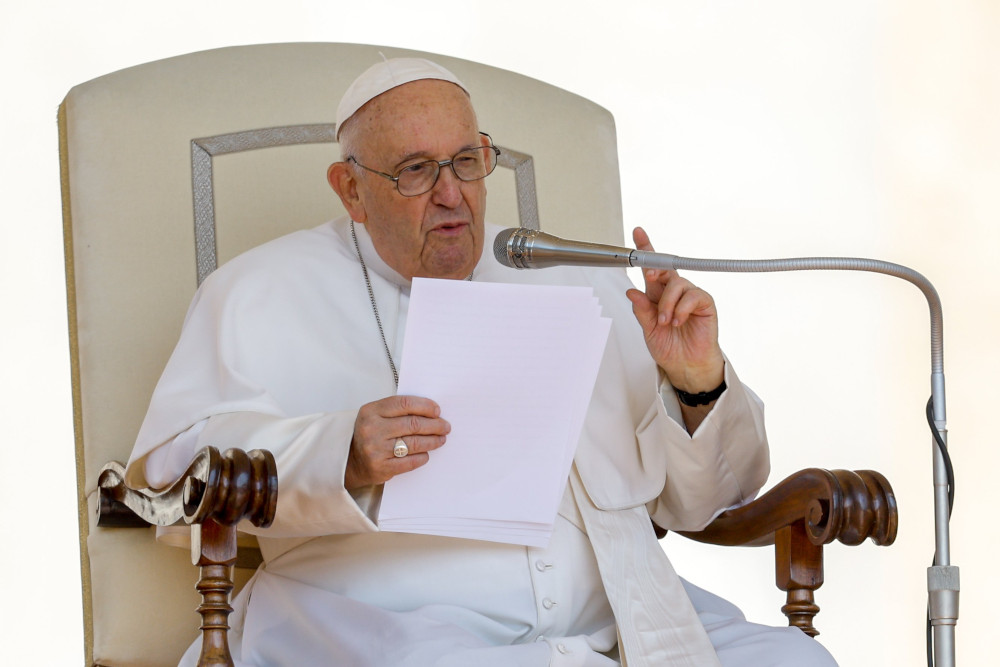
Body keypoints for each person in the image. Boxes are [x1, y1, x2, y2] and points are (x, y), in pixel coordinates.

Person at [127, 57, 837, 666]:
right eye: (415, 170)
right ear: (350, 189)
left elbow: (704, 499)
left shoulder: (574, 276)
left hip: (617, 619)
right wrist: (341, 451)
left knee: (799, 659)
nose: (452, 194)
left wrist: (697, 384)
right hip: (395, 622)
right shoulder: (258, 291)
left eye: (467, 162)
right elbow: (173, 469)